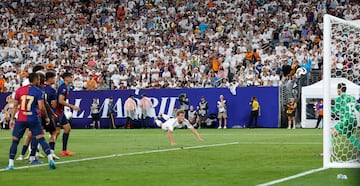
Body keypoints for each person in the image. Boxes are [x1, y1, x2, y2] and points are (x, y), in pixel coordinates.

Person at [6, 73, 56, 170]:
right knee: (41, 139)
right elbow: (41, 107)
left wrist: (12, 119)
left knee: (15, 141)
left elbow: (15, 106)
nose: (39, 81)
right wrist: (46, 117)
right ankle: (50, 159)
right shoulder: (38, 91)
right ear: (35, 80)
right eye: (38, 79)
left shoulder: (19, 90)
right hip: (33, 118)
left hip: (21, 118)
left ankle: (11, 164)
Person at [56, 72, 80, 156]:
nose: (72, 79)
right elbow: (60, 100)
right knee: (56, 132)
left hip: (60, 111)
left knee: (67, 128)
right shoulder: (63, 88)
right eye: (71, 77)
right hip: (57, 112)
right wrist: (72, 106)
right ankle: (48, 149)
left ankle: (64, 150)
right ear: (66, 78)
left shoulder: (65, 87)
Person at [331, 83, 360, 150]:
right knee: (349, 135)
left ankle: (327, 152)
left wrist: (325, 110)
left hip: (346, 120)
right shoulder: (352, 97)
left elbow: (335, 111)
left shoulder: (339, 99)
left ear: (339, 90)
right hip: (354, 121)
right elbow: (358, 107)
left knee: (332, 131)